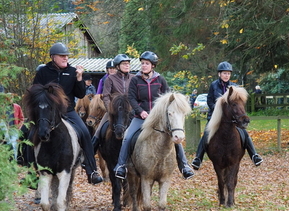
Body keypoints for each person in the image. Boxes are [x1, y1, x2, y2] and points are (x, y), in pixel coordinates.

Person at [114, 51, 195, 180]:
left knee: (175, 138)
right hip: (141, 118)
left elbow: (169, 98)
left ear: (153, 66)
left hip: (158, 119)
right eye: (142, 63)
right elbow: (131, 98)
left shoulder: (160, 79)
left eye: (146, 63)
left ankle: (184, 166)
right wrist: (140, 111)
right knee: (127, 137)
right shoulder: (135, 80)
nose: (144, 66)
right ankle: (121, 166)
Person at [33, 42, 103, 185]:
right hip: (48, 111)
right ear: (53, 57)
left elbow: (80, 93)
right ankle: (31, 172)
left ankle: (92, 170)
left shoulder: (72, 72)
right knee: (29, 131)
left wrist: (79, 79)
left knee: (84, 133)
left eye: (66, 56)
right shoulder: (43, 72)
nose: (65, 58)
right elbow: (35, 91)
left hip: (68, 111)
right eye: (62, 56)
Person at [191, 61, 263, 170]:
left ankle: (254, 155)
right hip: (215, 116)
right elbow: (210, 100)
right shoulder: (214, 85)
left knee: (244, 132)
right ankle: (198, 158)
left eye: (228, 74)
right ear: (219, 74)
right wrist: (217, 111)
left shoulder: (234, 87)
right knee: (206, 133)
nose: (226, 75)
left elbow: (238, 103)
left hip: (231, 118)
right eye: (224, 73)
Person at [91, 53, 131, 150]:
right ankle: (91, 153)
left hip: (130, 110)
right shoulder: (110, 79)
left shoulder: (134, 78)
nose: (127, 65)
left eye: (128, 64)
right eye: (124, 64)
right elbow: (106, 96)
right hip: (114, 110)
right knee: (99, 130)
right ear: (117, 66)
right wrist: (111, 109)